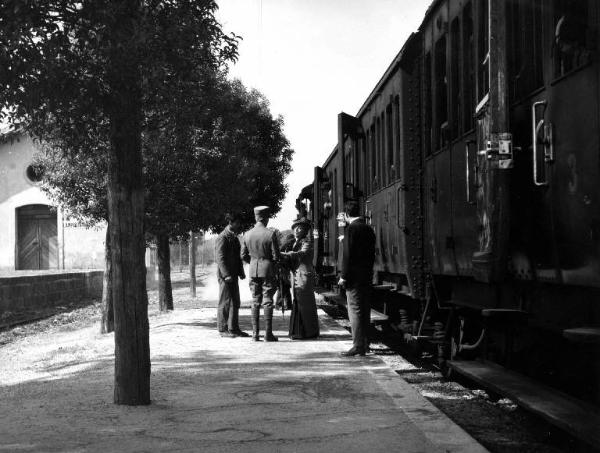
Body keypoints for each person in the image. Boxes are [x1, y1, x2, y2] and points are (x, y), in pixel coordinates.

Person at [338, 200, 375, 356]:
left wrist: (343, 276)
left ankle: (358, 345)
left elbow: (348, 256)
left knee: (354, 311)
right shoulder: (368, 229)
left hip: (353, 277)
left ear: (346, 215)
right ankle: (365, 343)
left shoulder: (351, 229)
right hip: (366, 275)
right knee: (365, 310)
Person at [241, 205, 281, 341]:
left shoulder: (247, 234)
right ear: (266, 218)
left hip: (253, 270)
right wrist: (272, 266)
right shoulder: (270, 234)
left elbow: (243, 255)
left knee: (255, 300)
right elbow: (276, 256)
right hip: (268, 270)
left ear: (256, 217)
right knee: (268, 301)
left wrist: (253, 262)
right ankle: (268, 334)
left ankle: (255, 334)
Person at [281, 217, 320, 340]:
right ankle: (299, 331)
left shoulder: (306, 242)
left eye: (301, 227)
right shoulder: (293, 242)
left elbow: (301, 254)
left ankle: (308, 332)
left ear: (305, 230)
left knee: (305, 303)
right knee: (298, 302)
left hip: (304, 275)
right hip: (296, 276)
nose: (297, 229)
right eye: (295, 227)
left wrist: (285, 255)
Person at [215, 213, 248, 337]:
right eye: (237, 223)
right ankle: (223, 329)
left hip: (233, 274)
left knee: (235, 301)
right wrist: (226, 274)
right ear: (231, 223)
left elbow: (238, 258)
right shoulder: (222, 237)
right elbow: (220, 258)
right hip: (226, 276)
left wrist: (241, 272)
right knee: (225, 302)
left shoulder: (234, 238)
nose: (239, 225)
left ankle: (233, 329)